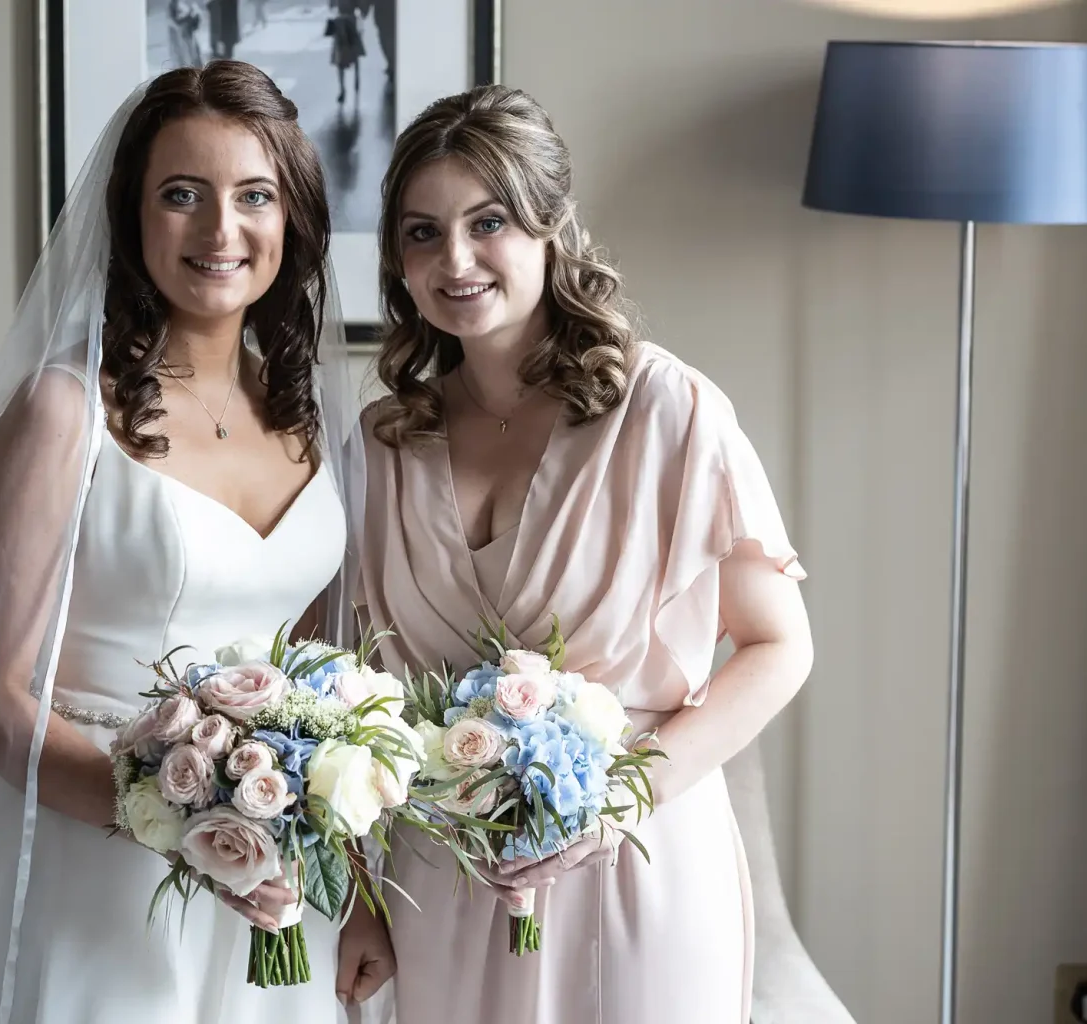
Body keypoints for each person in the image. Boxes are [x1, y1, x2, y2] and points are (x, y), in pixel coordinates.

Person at [0, 60, 377, 1023]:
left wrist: (347, 877)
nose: (220, 231)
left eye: (254, 197)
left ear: (292, 220)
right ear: (130, 217)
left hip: (277, 881)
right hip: (92, 868)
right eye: (181, 196)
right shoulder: (60, 415)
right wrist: (187, 826)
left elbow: (329, 680)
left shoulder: (317, 420)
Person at [347, 84, 814, 1023]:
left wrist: (620, 804)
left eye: (489, 222)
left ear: (552, 225)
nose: (457, 259)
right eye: (422, 233)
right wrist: (364, 901)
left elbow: (779, 647)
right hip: (446, 879)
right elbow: (356, 693)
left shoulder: (665, 410)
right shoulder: (386, 443)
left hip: (631, 869)